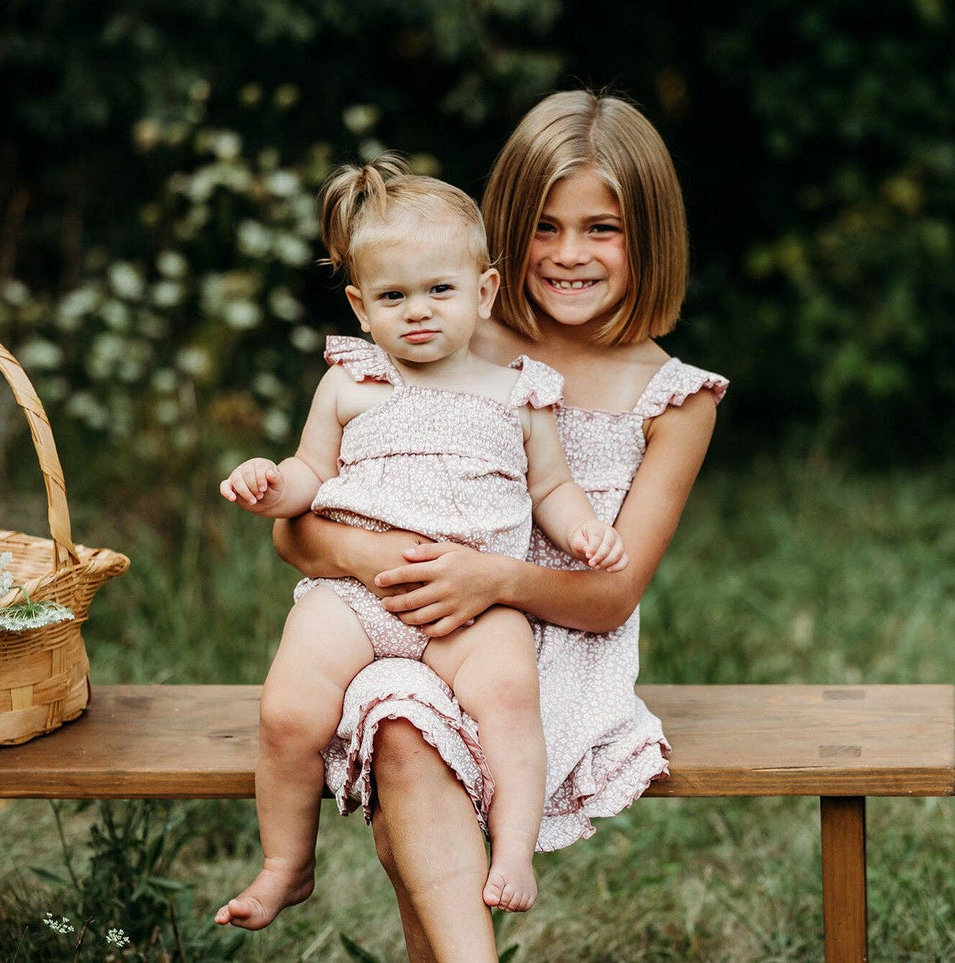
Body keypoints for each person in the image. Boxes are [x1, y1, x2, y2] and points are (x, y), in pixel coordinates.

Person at [273, 89, 729, 961]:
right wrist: (380, 558)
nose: (568, 253)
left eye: (601, 229)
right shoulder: (445, 339)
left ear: (649, 236)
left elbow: (611, 597)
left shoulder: (673, 399)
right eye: (545, 226)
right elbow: (296, 535)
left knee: (414, 725)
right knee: (396, 715)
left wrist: (493, 580)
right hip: (403, 618)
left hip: (555, 655)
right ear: (504, 236)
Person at [215, 156, 630, 930]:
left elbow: (550, 489)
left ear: (483, 291)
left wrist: (584, 530)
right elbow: (310, 472)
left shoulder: (518, 392)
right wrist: (270, 483)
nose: (417, 312)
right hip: (353, 597)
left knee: (511, 698)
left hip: (474, 609)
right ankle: (285, 863)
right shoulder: (350, 382)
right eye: (393, 296)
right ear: (359, 306)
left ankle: (512, 848)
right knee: (287, 709)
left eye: (439, 290)